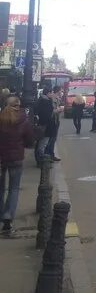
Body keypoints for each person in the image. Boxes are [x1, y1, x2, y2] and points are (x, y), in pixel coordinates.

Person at [0, 96, 35, 236]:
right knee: (14, 188)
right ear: (18, 105)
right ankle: (8, 218)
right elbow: (30, 140)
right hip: (16, 159)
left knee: (1, 189)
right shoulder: (23, 120)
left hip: (1, 159)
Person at [34, 88, 59, 164]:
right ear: (48, 93)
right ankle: (41, 160)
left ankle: (41, 159)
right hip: (46, 127)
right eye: (51, 92)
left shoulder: (41, 100)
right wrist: (55, 111)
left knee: (41, 143)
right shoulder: (46, 102)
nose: (52, 94)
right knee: (43, 144)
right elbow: (47, 115)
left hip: (43, 125)